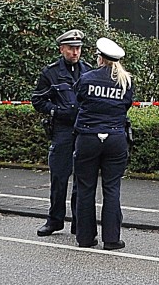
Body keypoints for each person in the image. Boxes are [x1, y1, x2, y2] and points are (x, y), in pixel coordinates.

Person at [72, 37, 134, 250]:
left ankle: (85, 238)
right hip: (115, 138)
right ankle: (111, 239)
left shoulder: (87, 78)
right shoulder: (126, 81)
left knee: (85, 188)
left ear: (100, 58)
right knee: (112, 188)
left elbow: (78, 101)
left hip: (88, 138)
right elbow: (126, 106)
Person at [31, 29, 92, 237]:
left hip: (83, 130)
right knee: (59, 177)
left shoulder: (89, 71)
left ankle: (78, 222)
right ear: (61, 49)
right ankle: (55, 220)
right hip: (62, 130)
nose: (75, 53)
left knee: (82, 179)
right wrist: (55, 111)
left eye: (78, 48)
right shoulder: (51, 72)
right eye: (71, 49)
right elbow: (38, 100)